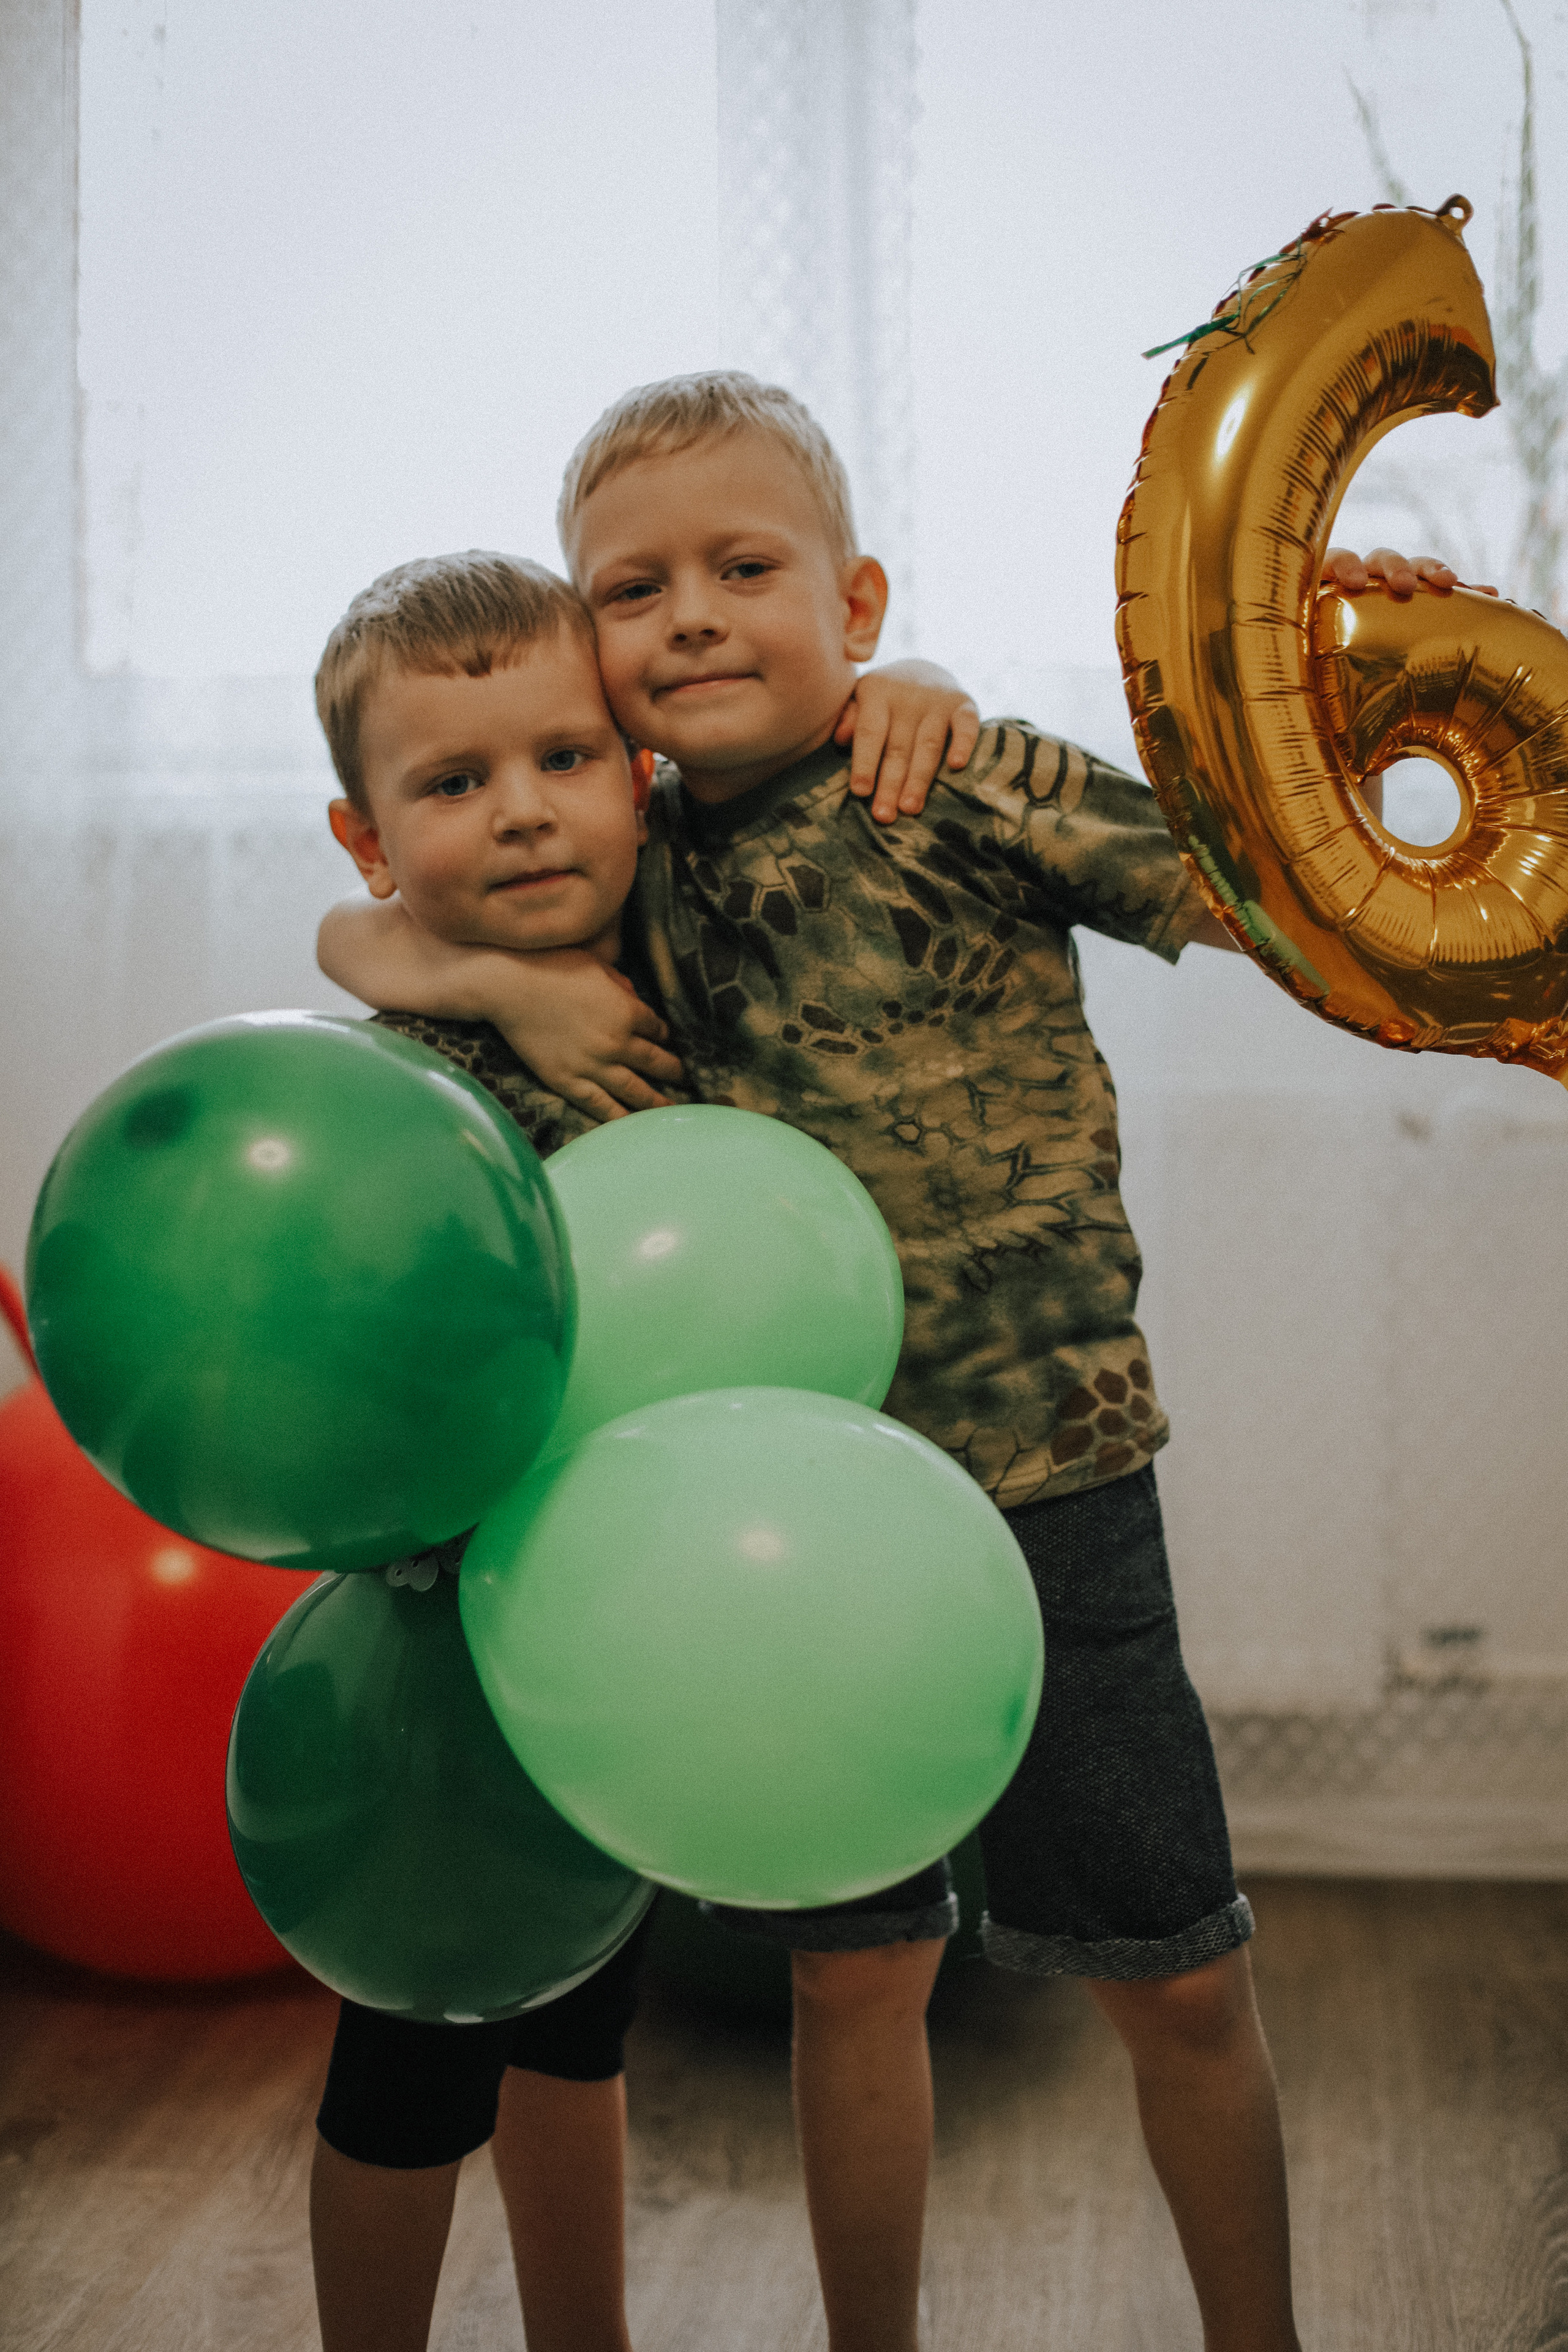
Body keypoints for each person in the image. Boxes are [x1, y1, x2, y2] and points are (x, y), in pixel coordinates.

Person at [319, 373, 1459, 2352]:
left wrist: (1335, 734)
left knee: (1181, 1967)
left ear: (852, 596)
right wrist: (482, 971)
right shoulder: (623, 852)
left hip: (1055, 1470)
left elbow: (1243, 887)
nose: (687, 617)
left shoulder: (960, 772)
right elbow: (371, 930)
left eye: (742, 570)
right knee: (857, 1984)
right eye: (637, 588)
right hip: (803, 1519)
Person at [306, 544, 979, 2352]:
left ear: (636, 771)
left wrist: (914, 699)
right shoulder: (400, 1069)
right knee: (416, 2048)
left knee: (576, 2015)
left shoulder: (697, 936)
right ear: (370, 838)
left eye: (562, 759)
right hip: (440, 1620)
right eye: (452, 785)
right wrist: (497, 996)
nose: (521, 813)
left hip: (632, 1614)